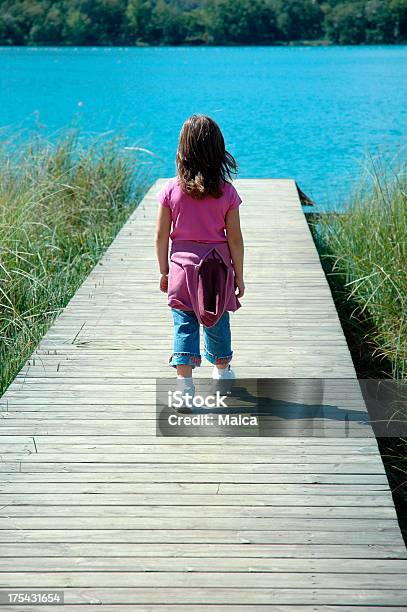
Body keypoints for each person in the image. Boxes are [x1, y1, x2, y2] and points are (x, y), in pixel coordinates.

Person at [155, 114, 245, 397]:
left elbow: (160, 236)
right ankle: (222, 373)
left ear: (183, 150)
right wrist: (239, 275)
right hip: (216, 272)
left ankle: (184, 387)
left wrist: (163, 271)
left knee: (184, 325)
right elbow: (235, 239)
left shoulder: (170, 190)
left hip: (181, 271)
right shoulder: (227, 193)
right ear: (218, 150)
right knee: (217, 320)